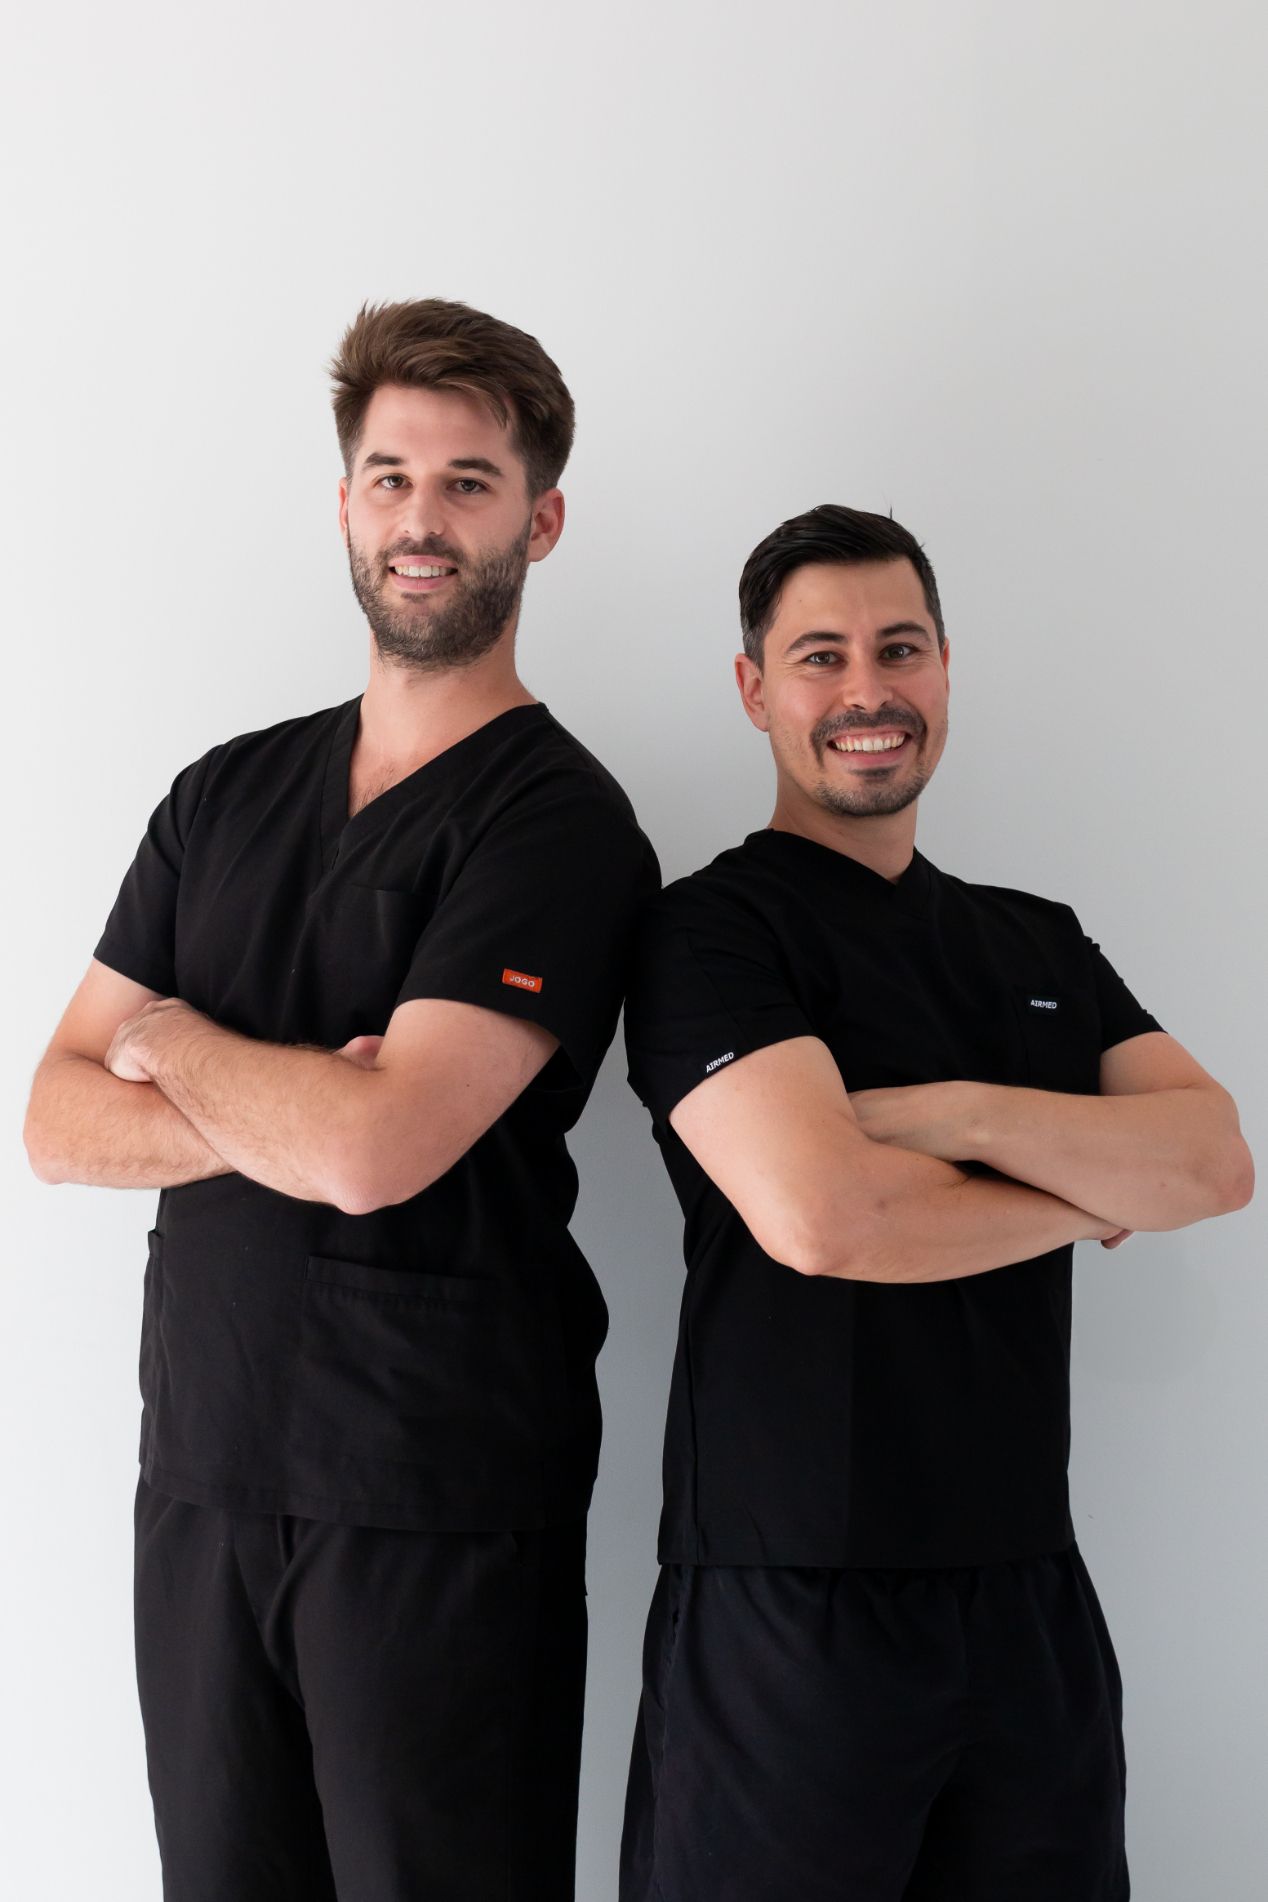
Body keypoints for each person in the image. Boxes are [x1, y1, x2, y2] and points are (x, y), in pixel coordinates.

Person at [24, 297, 659, 1902]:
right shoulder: (223, 794)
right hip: (204, 1474)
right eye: (390, 478)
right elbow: (54, 1118)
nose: (420, 519)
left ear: (540, 520)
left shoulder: (557, 823)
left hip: (436, 1496)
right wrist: (284, 1105)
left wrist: (166, 1033)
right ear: (344, 504)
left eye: (467, 482)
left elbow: (378, 1151)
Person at [619, 503, 1253, 1902]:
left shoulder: (1038, 940)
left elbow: (1212, 1162)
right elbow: (830, 1221)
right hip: (791, 1599)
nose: (868, 690)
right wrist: (1082, 1184)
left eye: (899, 649)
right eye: (822, 656)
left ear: (947, 672)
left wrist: (958, 1115)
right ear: (755, 690)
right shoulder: (710, 931)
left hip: (1031, 1600)